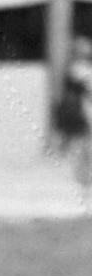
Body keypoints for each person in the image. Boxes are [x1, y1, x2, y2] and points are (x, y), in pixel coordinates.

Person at [53, 36, 92, 185]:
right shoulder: (77, 68)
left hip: (83, 109)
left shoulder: (81, 68)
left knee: (83, 145)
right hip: (81, 110)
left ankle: (84, 176)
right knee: (83, 144)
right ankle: (83, 177)